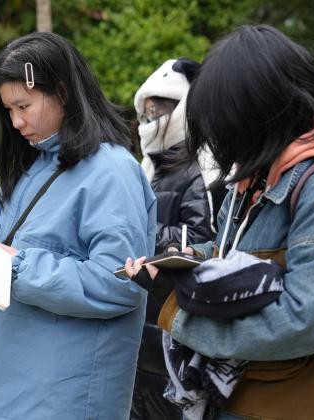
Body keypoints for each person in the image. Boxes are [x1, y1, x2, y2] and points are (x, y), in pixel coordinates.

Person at [124, 25, 314, 419]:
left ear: (259, 112)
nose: (222, 141)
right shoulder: (256, 174)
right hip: (237, 398)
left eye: (227, 125)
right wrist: (180, 261)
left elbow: (303, 321)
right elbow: (225, 251)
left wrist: (177, 313)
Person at [0, 32, 156, 419]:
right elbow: (36, 247)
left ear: (62, 91)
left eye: (23, 106)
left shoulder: (111, 171)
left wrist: (15, 265)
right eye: (8, 109)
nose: (15, 121)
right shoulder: (34, 162)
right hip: (9, 389)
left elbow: (121, 283)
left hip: (63, 400)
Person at [130, 58, 216, 420]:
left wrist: (139, 230)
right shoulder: (150, 167)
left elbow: (201, 239)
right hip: (144, 316)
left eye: (159, 110)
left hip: (173, 320)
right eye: (146, 112)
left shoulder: (200, 168)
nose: (150, 120)